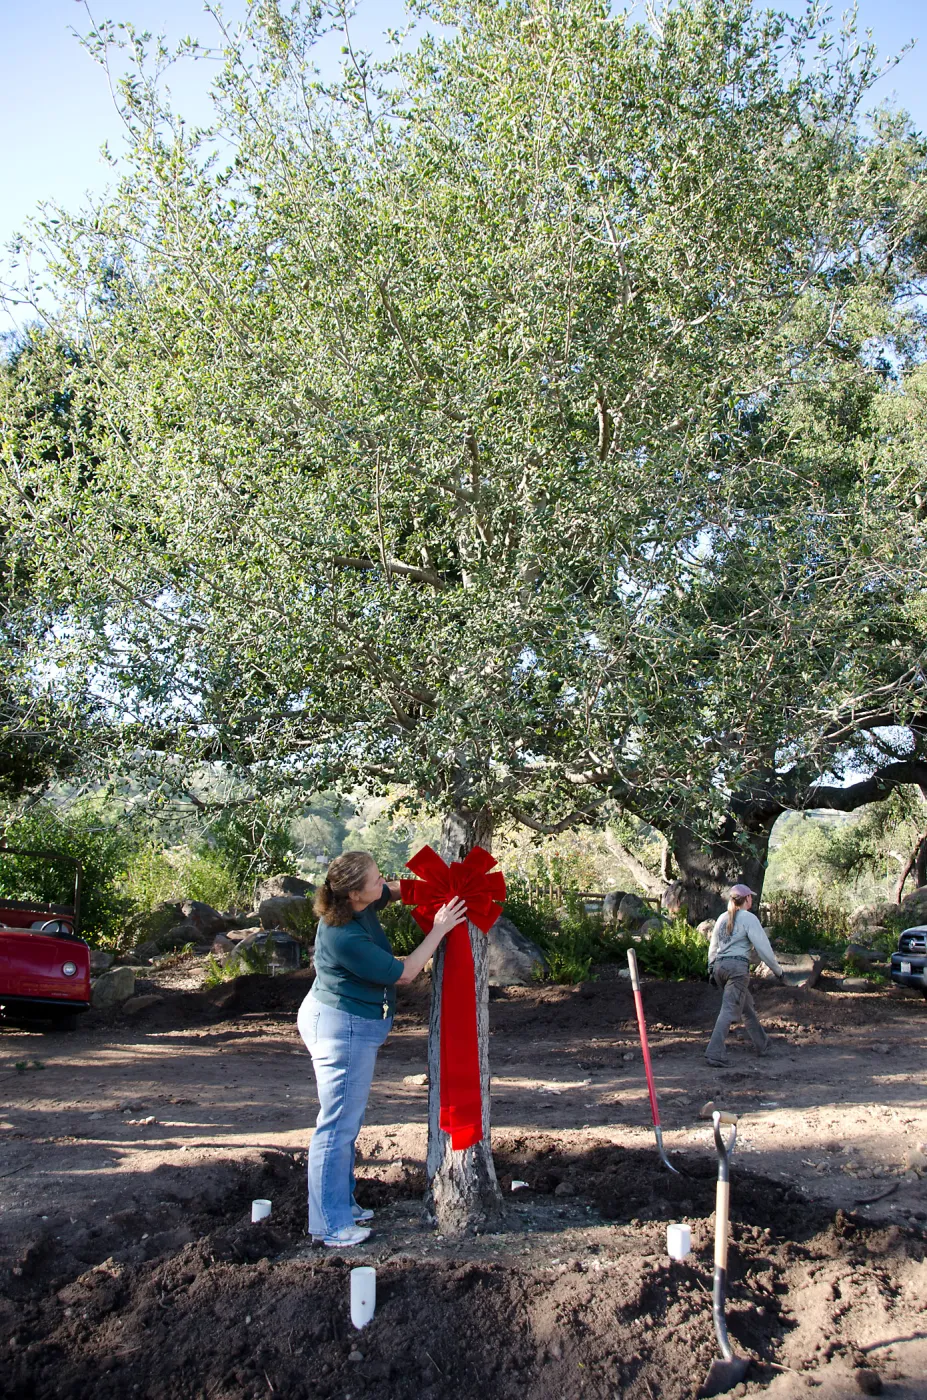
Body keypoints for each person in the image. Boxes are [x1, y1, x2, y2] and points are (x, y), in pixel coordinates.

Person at [297, 849, 466, 1248]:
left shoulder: (357, 903)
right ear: (354, 893)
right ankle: (330, 1223)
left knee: (345, 1121)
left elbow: (394, 890)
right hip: (342, 1029)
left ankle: (340, 1201)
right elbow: (406, 972)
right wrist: (439, 928)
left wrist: (441, 887)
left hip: (349, 1022)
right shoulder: (344, 936)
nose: (382, 882)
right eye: (374, 880)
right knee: (337, 1125)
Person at [705, 883, 784, 1067]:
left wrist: (711, 967)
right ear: (746, 899)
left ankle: (763, 1045)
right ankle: (714, 1052)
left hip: (719, 968)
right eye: (751, 897)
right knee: (728, 1009)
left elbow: (713, 947)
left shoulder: (722, 918)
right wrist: (778, 971)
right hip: (737, 970)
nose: (752, 900)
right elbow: (763, 948)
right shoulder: (749, 918)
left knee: (745, 1006)